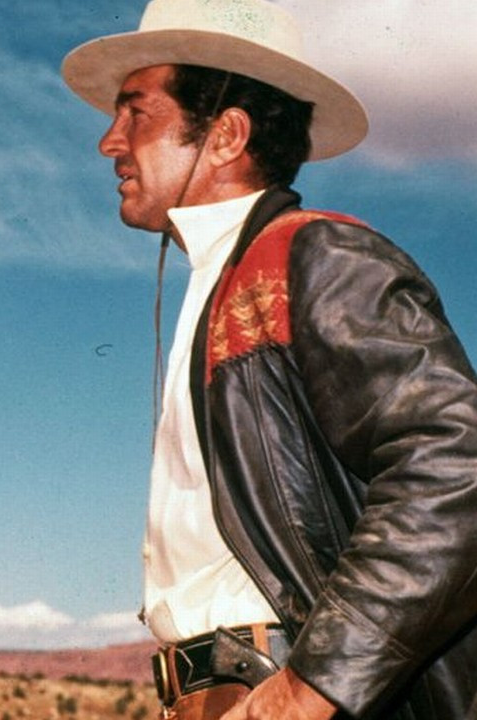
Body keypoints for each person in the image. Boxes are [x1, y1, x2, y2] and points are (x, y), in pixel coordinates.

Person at [61, 1, 477, 718]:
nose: (109, 142)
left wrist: (311, 686)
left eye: (136, 112)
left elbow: (456, 465)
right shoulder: (224, 280)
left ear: (225, 135)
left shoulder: (317, 256)